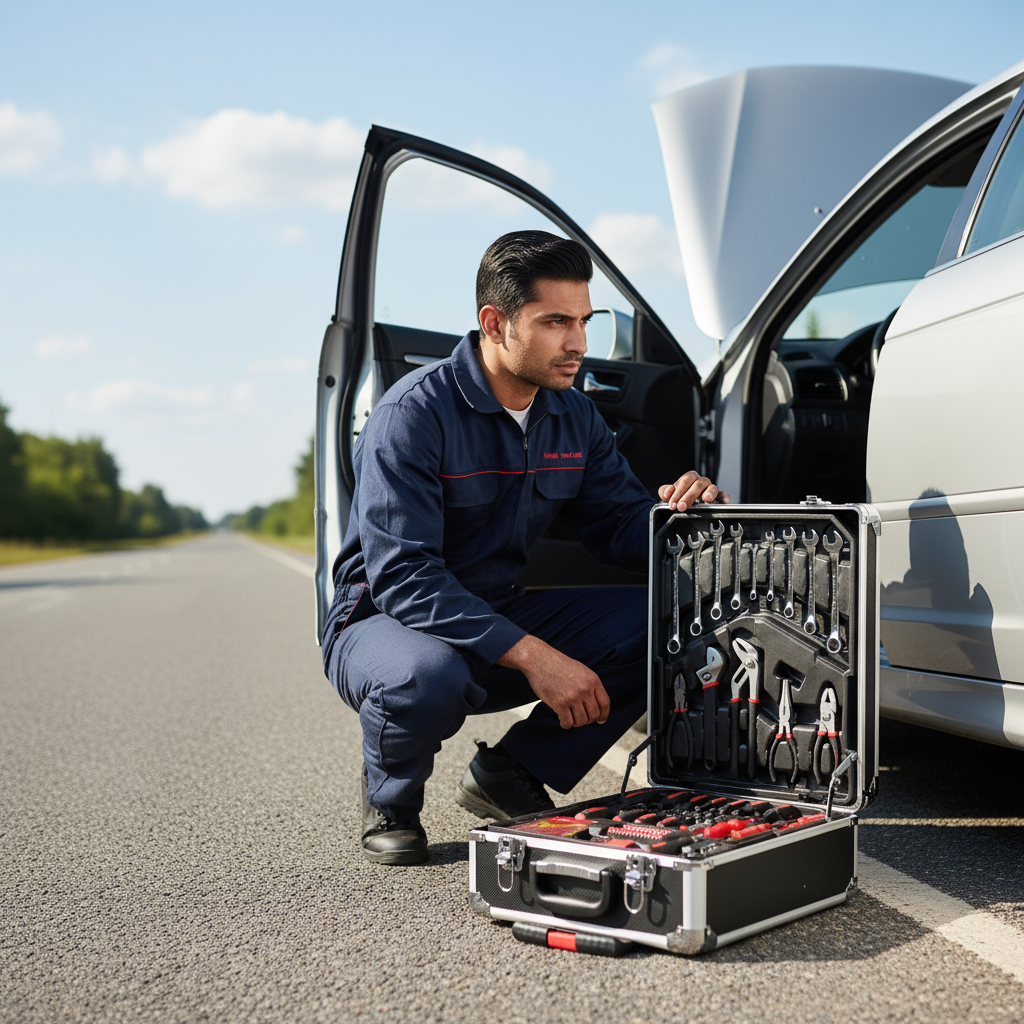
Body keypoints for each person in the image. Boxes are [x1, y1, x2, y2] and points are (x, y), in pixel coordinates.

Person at [321, 230, 729, 865]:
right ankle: (390, 800)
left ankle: (509, 773)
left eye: (584, 321)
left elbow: (619, 524)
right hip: (384, 619)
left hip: (495, 605)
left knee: (671, 622)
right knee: (427, 676)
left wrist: (680, 518)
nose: (579, 343)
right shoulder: (413, 416)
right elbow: (404, 577)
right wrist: (537, 657)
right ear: (495, 322)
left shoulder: (573, 415)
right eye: (556, 322)